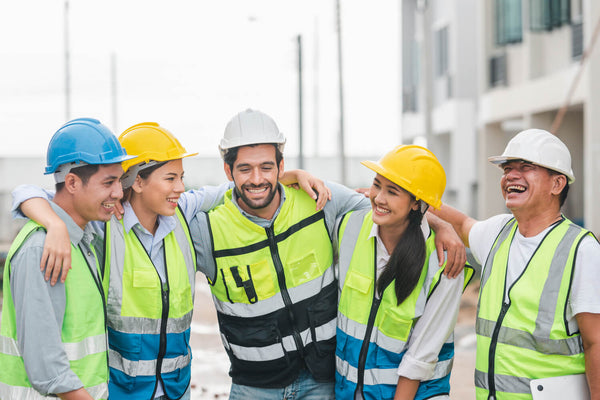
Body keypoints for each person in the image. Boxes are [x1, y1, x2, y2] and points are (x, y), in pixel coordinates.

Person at [11, 122, 331, 400]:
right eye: (169, 178)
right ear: (136, 181)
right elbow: (35, 193)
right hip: (124, 392)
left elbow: (236, 188)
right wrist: (53, 224)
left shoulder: (183, 215)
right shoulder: (105, 226)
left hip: (177, 390)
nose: (180, 187)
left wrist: (289, 174)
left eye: (181, 177)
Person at [187, 109, 466, 399]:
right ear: (228, 171)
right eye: (245, 169)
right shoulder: (207, 229)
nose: (257, 179)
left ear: (281, 166)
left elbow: (391, 210)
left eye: (267, 167)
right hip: (254, 388)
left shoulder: (321, 204)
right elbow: (384, 205)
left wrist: (438, 223)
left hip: (321, 384)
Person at [431, 129, 600, 400]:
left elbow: (596, 343)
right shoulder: (498, 232)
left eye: (525, 167)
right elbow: (460, 223)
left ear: (557, 184)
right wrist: (398, 201)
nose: (511, 175)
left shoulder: (582, 250)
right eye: (507, 168)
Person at [0, 118, 135, 399]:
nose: (118, 193)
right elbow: (48, 370)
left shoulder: (82, 236)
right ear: (72, 182)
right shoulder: (40, 249)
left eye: (119, 181)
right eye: (108, 182)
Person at [335, 145, 473, 400]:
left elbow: (420, 356)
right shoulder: (349, 225)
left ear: (416, 203)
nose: (378, 198)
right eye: (377, 185)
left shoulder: (444, 262)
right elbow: (297, 185)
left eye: (392, 191)